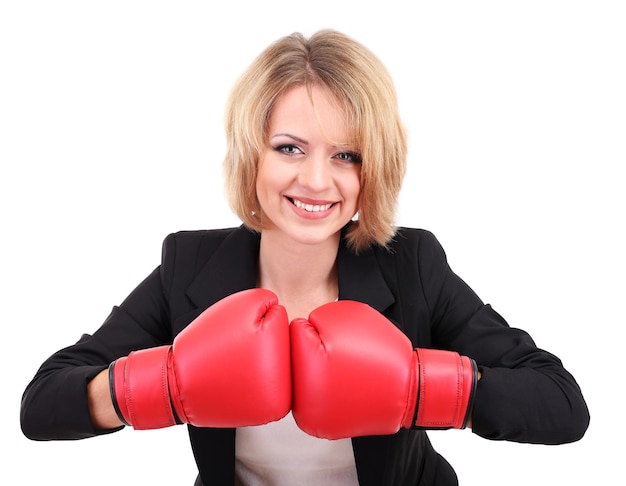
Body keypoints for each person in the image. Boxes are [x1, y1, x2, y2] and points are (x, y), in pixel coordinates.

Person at [20, 29, 590, 485]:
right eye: (289, 148)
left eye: (347, 154)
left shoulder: (411, 263)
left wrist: (418, 388)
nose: (317, 180)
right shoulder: (189, 267)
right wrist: (164, 386)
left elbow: (562, 405)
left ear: (375, 168)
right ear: (252, 155)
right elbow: (41, 404)